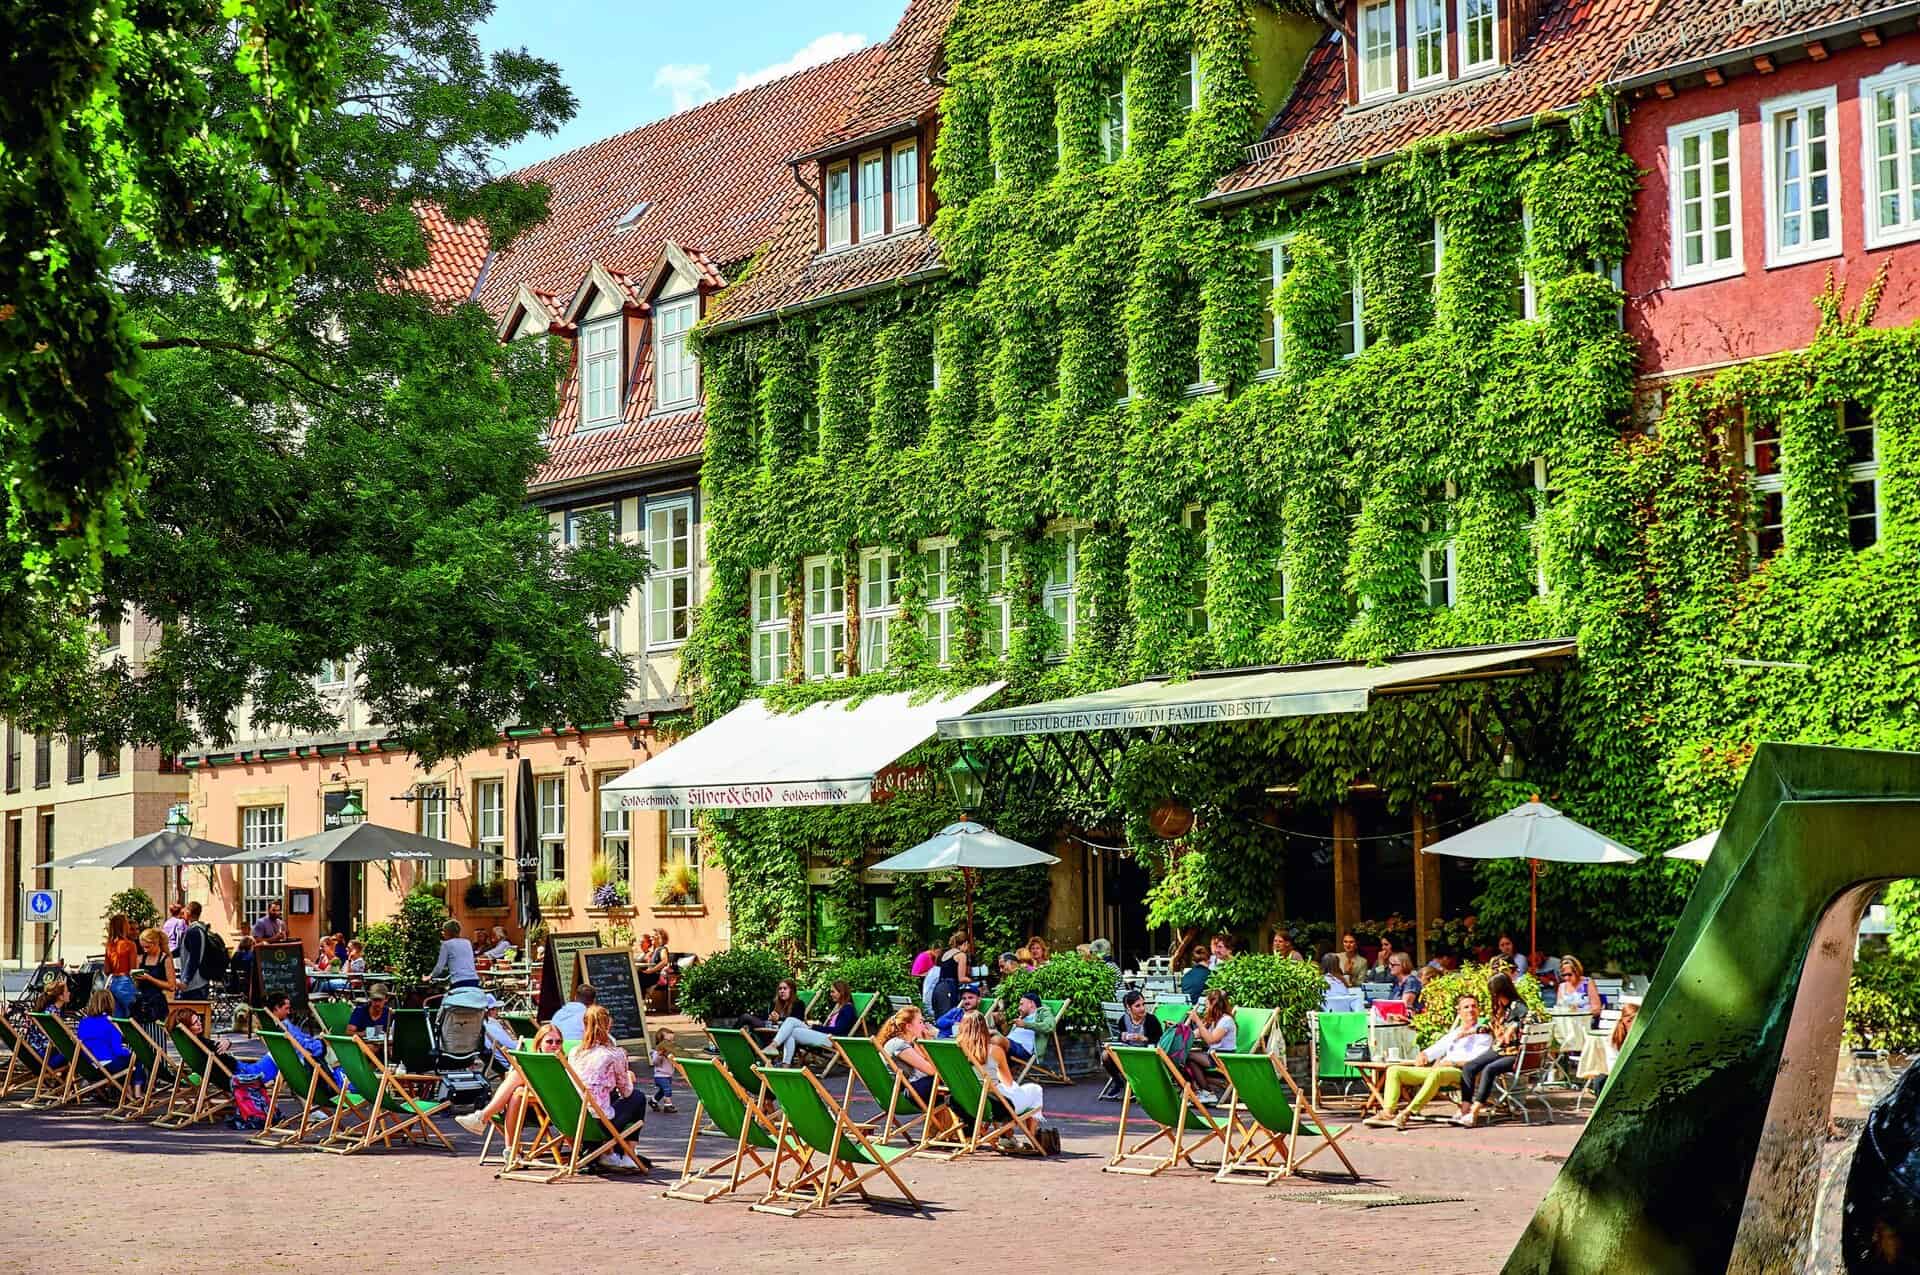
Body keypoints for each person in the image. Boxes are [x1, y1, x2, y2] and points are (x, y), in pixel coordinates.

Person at [1367, 993, 1490, 1131]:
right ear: (1459, 1011)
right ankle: (1388, 1113)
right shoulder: (1456, 1032)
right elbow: (1438, 1048)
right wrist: (1424, 1054)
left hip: (1462, 1073)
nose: (1470, 1010)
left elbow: (1478, 1061)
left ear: (1478, 1009)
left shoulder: (1483, 1032)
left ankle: (1407, 1113)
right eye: (1466, 1007)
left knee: (1436, 1073)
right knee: (1394, 1071)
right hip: (1441, 1070)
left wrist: (1452, 1063)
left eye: (1474, 1006)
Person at [956, 1011, 1055, 1153]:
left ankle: (1006, 1136)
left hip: (963, 1102)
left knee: (1002, 1093)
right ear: (985, 1029)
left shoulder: (955, 1050)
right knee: (1034, 1089)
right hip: (992, 1106)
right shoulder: (994, 1050)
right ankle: (1032, 1139)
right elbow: (1008, 1081)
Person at [571, 1005, 650, 1170]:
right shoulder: (613, 1054)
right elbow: (626, 1091)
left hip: (575, 1121)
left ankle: (608, 1153)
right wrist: (627, 1076)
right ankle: (628, 1154)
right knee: (638, 1097)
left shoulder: (574, 1053)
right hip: (599, 1124)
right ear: (609, 1024)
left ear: (584, 1025)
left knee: (607, 1096)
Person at [457, 1022, 563, 1136]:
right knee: (516, 1094)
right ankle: (510, 1150)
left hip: (555, 1110)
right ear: (539, 1043)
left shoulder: (564, 1062)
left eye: (558, 1042)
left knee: (517, 1075)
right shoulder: (533, 1063)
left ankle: (482, 1116)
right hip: (532, 1106)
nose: (554, 1045)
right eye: (549, 1041)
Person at [1455, 973, 1531, 1128]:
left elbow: (1529, 1020)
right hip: (1499, 1049)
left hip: (1516, 1054)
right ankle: (1465, 1109)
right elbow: (1491, 1026)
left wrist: (1513, 1028)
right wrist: (1470, 1032)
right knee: (1470, 1067)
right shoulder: (1500, 1007)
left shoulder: (1518, 1006)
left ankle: (1474, 1112)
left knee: (1489, 1069)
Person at [250, 992, 340, 1091]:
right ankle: (340, 1087)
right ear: (276, 1008)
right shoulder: (283, 1026)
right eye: (286, 1008)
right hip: (301, 1060)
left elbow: (301, 1039)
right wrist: (322, 1041)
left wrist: (316, 1038)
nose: (289, 1012)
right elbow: (305, 1046)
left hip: (282, 1058)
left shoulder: (270, 1025)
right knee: (338, 1055)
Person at [769, 980, 857, 1065]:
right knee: (791, 1028)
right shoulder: (839, 1007)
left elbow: (839, 1030)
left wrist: (815, 1027)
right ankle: (785, 1065)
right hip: (827, 1036)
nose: (831, 994)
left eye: (833, 992)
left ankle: (774, 1047)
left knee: (791, 1024)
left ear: (841, 992)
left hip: (834, 1040)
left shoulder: (848, 1009)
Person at [876, 1005, 942, 1108]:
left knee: (947, 1085)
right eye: (920, 1022)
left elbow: (929, 1064)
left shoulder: (904, 1043)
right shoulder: (899, 1045)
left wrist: (926, 1041)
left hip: (895, 1094)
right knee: (950, 1082)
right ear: (908, 1027)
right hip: (904, 1096)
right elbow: (932, 1070)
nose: (924, 1026)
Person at [1099, 989, 1156, 1101]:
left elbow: (1158, 1040)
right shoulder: (1123, 1020)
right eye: (1137, 1006)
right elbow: (1121, 1038)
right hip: (1128, 1051)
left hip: (1144, 1053)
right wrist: (1123, 1036)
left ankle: (1134, 1086)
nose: (1142, 1008)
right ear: (1129, 1008)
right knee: (1106, 1055)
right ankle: (1118, 1081)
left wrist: (1143, 1038)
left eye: (1143, 1004)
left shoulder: (1151, 1020)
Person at [1186, 987, 1237, 1103]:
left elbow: (1210, 1040)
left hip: (1224, 1057)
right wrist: (1180, 1031)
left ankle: (1208, 1092)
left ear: (1214, 1005)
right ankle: (1209, 1089)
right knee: (1187, 1060)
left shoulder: (1226, 1020)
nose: (1206, 1008)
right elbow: (1195, 1034)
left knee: (1188, 1055)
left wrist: (1198, 1021)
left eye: (1207, 1005)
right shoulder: (1214, 1019)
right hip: (1213, 1055)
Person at [73, 988, 134, 1081]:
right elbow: (117, 1050)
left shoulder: (83, 1022)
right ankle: (138, 1092)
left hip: (89, 1066)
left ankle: (127, 1091)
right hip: (107, 1066)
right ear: (111, 1004)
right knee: (135, 1058)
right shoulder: (110, 1023)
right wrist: (128, 1052)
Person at [1006, 989, 1055, 1067]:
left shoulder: (1043, 1013)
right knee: (990, 1042)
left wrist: (1026, 1025)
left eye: (1021, 1004)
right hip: (1008, 1044)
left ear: (1031, 1003)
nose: (1019, 1008)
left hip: (1022, 1049)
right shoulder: (1022, 1017)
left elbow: (1049, 1026)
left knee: (996, 1041)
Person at [174, 900, 211, 1001]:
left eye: (184, 912)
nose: (182, 915)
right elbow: (181, 950)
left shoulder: (193, 931)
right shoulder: (201, 929)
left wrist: (186, 980)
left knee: (189, 1015)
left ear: (188, 913)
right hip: (200, 982)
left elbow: (193, 958)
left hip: (194, 984)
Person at [104, 914, 139, 1018]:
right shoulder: (130, 944)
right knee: (132, 1017)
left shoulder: (109, 945)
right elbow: (133, 970)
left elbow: (106, 970)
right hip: (126, 981)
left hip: (113, 982)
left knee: (117, 1019)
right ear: (123, 926)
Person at [428, 919, 480, 989]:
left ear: (448, 932)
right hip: (474, 980)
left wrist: (430, 976)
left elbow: (439, 967)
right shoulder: (467, 942)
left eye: (444, 931)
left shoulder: (446, 944)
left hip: (458, 982)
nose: (442, 933)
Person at [931, 931, 971, 1017]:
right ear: (966, 943)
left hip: (939, 987)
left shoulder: (946, 953)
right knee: (949, 1019)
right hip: (949, 989)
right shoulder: (961, 955)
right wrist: (972, 980)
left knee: (941, 1019)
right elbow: (962, 978)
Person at [649, 1027, 678, 1113]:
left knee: (662, 1091)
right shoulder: (657, 1053)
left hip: (668, 1075)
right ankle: (668, 1105)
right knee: (667, 1090)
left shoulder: (669, 1053)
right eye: (668, 1041)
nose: (671, 1043)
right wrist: (659, 1055)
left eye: (672, 1041)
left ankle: (653, 1101)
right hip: (660, 1076)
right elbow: (655, 1062)